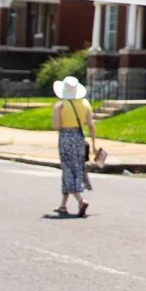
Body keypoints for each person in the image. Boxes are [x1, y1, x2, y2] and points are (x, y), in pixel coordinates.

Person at [51, 76, 96, 216]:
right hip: (79, 137)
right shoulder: (85, 103)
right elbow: (91, 125)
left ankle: (80, 200)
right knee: (77, 167)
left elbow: (56, 126)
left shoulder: (60, 105)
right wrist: (94, 144)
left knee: (68, 169)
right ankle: (63, 205)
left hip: (66, 137)